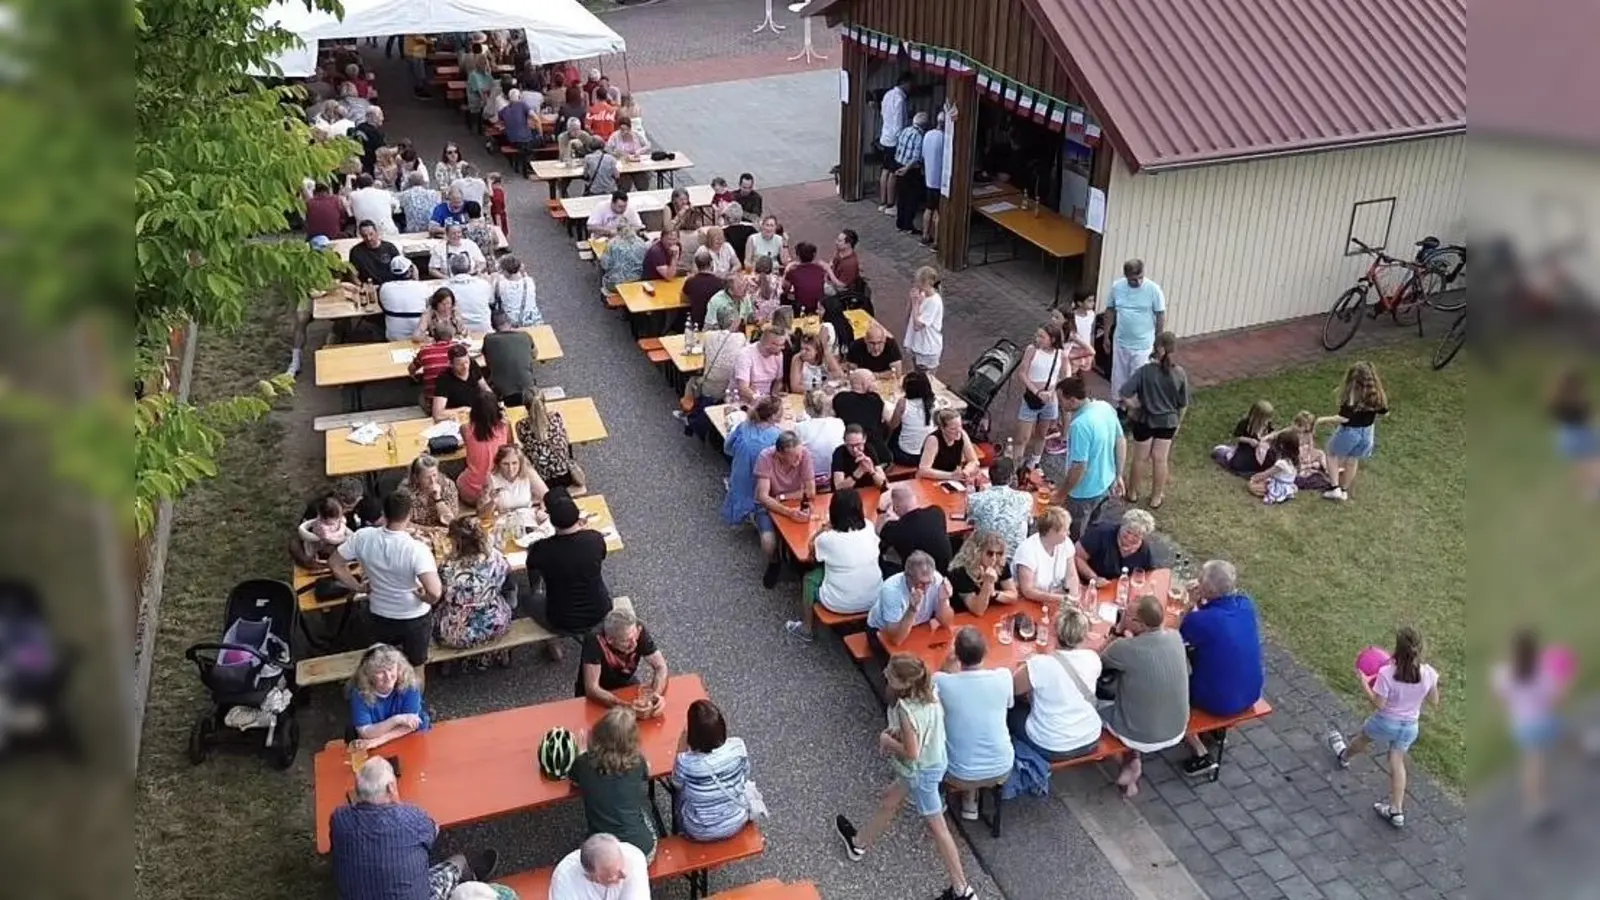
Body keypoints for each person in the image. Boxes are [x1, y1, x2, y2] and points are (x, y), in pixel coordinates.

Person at [833, 653, 976, 900]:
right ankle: (858, 843)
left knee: (938, 828)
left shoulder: (905, 710)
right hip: (935, 761)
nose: (885, 673)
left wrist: (887, 740)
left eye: (891, 673)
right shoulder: (929, 691)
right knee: (890, 800)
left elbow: (912, 753)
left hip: (920, 771)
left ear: (903, 683)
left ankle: (962, 889)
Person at [331, 757, 499, 900]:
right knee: (459, 861)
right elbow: (434, 831)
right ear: (391, 788)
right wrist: (398, 806)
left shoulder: (339, 819)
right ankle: (470, 880)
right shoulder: (410, 818)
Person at [1327, 627, 1441, 829]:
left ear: (1397, 649)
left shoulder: (1387, 674)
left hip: (1386, 722)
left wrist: (1364, 683)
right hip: (1410, 727)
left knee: (1363, 738)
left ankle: (1344, 757)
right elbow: (1434, 701)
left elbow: (1379, 704)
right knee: (1397, 762)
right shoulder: (1429, 673)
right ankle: (1396, 810)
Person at [329, 490, 443, 668]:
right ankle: (413, 696)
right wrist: (425, 598)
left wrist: (358, 587)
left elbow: (335, 563)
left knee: (383, 667)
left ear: (384, 513)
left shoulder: (363, 537)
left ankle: (385, 693)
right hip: (414, 616)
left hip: (379, 613)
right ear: (409, 515)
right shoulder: (417, 549)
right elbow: (435, 592)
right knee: (417, 667)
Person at [1172, 559, 1265, 774]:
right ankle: (1218, 733)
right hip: (1250, 691)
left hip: (1218, 700)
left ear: (1208, 588)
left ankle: (1199, 751)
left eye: (1201, 577)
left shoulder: (1204, 620)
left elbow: (1174, 637)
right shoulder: (1245, 603)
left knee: (1169, 682)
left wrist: (1190, 603)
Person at [1100, 594, 1190, 798]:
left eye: (1128, 615)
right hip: (1178, 728)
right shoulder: (1175, 637)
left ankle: (1131, 760)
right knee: (1137, 697)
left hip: (1140, 735)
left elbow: (1097, 663)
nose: (1124, 616)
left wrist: (1118, 630)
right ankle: (1131, 764)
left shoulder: (1124, 648)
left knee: (1094, 704)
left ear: (1137, 623)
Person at [933, 626, 1014, 824]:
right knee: (982, 725)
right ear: (986, 651)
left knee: (940, 726)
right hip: (1002, 768)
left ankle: (940, 796)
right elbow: (1009, 704)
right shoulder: (1004, 677)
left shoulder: (942, 682)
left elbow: (934, 693)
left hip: (957, 773)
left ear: (957, 654)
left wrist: (947, 661)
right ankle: (971, 797)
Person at [1011, 607, 1105, 763]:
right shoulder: (1093, 658)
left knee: (1010, 711)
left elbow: (1013, 689)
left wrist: (1026, 666)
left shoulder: (1041, 664)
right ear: (1084, 634)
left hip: (1051, 745)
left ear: (1054, 633)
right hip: (1090, 737)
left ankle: (1020, 762)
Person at [785, 488, 881, 642]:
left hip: (838, 603)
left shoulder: (828, 539)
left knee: (809, 578)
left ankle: (806, 628)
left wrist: (822, 530)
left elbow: (811, 553)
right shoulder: (869, 527)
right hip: (874, 598)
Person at [527, 492, 612, 653]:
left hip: (561, 619)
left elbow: (531, 565)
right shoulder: (594, 539)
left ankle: (551, 641)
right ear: (578, 518)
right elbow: (601, 555)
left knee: (529, 599)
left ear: (551, 521)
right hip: (600, 611)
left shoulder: (542, 549)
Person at [569, 707, 658, 859]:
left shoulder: (584, 763)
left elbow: (574, 781)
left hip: (604, 858)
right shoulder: (637, 762)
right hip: (641, 852)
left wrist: (583, 752)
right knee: (641, 810)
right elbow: (645, 774)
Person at [1118, 331, 1189, 507]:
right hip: (1168, 422)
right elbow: (1183, 403)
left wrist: (1135, 406)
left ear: (1157, 348)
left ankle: (1132, 493)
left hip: (1145, 420)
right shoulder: (1179, 373)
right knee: (1160, 459)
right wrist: (1178, 422)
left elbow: (1124, 393)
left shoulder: (1144, 372)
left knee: (1140, 458)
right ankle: (1156, 497)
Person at [1052, 376, 1127, 540]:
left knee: (1071, 535)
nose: (1059, 405)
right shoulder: (1105, 407)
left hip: (1082, 493)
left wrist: (1062, 493)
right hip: (1105, 484)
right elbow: (1120, 440)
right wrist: (1118, 475)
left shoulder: (1079, 426)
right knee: (1094, 530)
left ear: (1072, 400)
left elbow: (1079, 467)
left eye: (1060, 400)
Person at [671, 699, 755, 841]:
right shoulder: (738, 746)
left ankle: (676, 831)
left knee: (680, 792)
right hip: (737, 821)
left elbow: (675, 783)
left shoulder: (685, 761)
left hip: (699, 830)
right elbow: (745, 773)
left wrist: (681, 746)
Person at [433, 518, 514, 654]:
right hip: (496, 623)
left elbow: (439, 593)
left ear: (457, 543)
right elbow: (507, 574)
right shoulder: (495, 557)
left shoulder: (448, 567)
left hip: (458, 632)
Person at [1313, 360, 1389, 502]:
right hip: (1368, 433)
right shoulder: (1377, 395)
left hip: (1350, 432)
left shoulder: (1352, 396)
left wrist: (1321, 420)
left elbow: (1343, 418)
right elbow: (1384, 412)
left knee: (1331, 453)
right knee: (1352, 460)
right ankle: (1344, 490)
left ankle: (1334, 487)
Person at [752, 431, 816, 588]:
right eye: (794, 457)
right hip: (769, 507)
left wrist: (782, 498)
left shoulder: (804, 454)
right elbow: (762, 497)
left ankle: (801, 564)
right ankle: (774, 561)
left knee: (808, 534)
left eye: (799, 454)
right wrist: (788, 512)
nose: (798, 459)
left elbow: (811, 491)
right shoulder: (765, 458)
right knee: (768, 541)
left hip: (791, 501)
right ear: (779, 454)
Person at [576, 606, 669, 707]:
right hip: (599, 692)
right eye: (626, 640)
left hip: (625, 682)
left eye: (635, 637)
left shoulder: (637, 630)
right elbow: (592, 689)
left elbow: (661, 666)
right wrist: (625, 707)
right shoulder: (595, 640)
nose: (634, 644)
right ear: (609, 640)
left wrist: (656, 695)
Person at [1105, 259, 1167, 399]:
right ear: (1125, 276)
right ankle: (1120, 408)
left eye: (1140, 278)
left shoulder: (1153, 289)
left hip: (1143, 345)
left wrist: (1158, 341)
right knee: (1119, 378)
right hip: (1121, 343)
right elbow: (1110, 310)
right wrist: (1106, 336)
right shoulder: (1117, 287)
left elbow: (1160, 315)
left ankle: (1134, 411)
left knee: (1138, 380)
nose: (1138, 282)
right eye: (1133, 280)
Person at [347, 643, 430, 748]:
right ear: (368, 674)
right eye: (380, 672)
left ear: (399, 667)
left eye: (390, 669)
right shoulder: (360, 693)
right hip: (372, 741)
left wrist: (377, 741)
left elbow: (412, 725)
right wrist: (397, 720)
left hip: (408, 737)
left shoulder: (409, 684)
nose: (388, 677)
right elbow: (365, 732)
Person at [1013, 323, 1067, 467]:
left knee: (1042, 433)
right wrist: (1036, 391)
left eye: (1042, 337)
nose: (1038, 339)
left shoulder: (1060, 354)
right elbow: (1022, 373)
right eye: (1038, 335)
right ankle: (1016, 465)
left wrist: (1052, 391)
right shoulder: (1031, 350)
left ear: (1053, 339)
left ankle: (1034, 462)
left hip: (1050, 400)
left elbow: (1063, 376)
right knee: (1022, 437)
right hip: (1032, 397)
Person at [876, 483, 953, 576]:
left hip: (920, 580)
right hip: (945, 573)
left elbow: (878, 530)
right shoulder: (937, 512)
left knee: (883, 560)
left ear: (895, 507)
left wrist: (881, 510)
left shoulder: (897, 529)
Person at [965, 457, 1033, 560]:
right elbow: (1029, 521)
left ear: (989, 477)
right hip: (1016, 560)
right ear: (1011, 478)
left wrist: (975, 491)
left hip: (986, 558)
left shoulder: (975, 499)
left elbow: (969, 521)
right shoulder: (1026, 498)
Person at [1549, 367, 1600, 502]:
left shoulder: (1556, 399)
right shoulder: (1579, 401)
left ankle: (1588, 492)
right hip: (1582, 435)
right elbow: (1588, 417)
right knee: (1594, 461)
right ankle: (1594, 490)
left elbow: (1555, 417)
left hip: (1566, 437)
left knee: (1579, 465)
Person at [1012, 506, 1079, 607]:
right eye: (1065, 530)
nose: (1068, 533)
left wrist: (1073, 598)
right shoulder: (1027, 551)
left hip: (1056, 600)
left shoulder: (1066, 543)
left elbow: (1071, 576)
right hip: (1029, 603)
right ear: (1052, 531)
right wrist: (1060, 599)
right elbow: (1027, 591)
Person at [549, 833, 649, 900]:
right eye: (614, 875)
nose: (624, 875)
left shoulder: (633, 857)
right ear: (592, 877)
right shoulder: (564, 880)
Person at [456, 391, 510, 508]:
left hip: (471, 492)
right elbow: (509, 445)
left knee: (460, 476)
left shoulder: (466, 429)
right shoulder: (504, 427)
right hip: (497, 490)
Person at [1075, 508, 1157, 582]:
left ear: (1143, 537)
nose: (1130, 537)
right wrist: (1094, 578)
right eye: (1128, 531)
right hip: (1091, 583)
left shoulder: (1144, 548)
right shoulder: (1101, 532)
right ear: (1122, 525)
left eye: (1136, 536)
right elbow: (1078, 556)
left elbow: (1149, 572)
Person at [945, 529, 1015, 615]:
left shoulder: (1000, 564)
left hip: (993, 615)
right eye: (990, 553)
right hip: (964, 618)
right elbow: (978, 610)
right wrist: (987, 583)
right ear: (977, 551)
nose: (994, 558)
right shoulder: (960, 572)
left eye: (999, 554)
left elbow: (1013, 595)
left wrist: (994, 594)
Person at [480, 311, 537, 405]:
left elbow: (487, 360)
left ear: (492, 326)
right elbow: (534, 354)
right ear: (510, 322)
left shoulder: (488, 339)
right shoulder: (525, 336)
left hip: (502, 393)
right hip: (528, 390)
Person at [833, 368, 891, 459]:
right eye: (872, 381)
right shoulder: (875, 399)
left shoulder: (839, 398)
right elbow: (887, 418)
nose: (874, 384)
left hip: (850, 448)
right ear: (864, 383)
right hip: (877, 452)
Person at [875, 73, 911, 213]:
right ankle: (890, 204)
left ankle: (882, 201)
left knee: (885, 169)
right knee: (893, 172)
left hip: (885, 136)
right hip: (894, 140)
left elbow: (883, 114)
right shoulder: (900, 100)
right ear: (905, 83)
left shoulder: (887, 95)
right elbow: (899, 123)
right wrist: (901, 139)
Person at [1212, 399, 1277, 475]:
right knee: (1237, 466)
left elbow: (1272, 434)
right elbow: (1237, 437)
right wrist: (1249, 440)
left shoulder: (1267, 425)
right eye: (1266, 418)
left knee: (1264, 465)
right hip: (1246, 448)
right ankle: (1225, 452)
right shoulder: (1245, 424)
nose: (1268, 420)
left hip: (1260, 451)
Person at [428, 344, 491, 420]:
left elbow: (484, 387)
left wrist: (492, 402)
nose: (465, 367)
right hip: (458, 417)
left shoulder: (473, 366)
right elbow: (437, 414)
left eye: (467, 362)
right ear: (451, 364)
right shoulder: (444, 379)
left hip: (478, 412)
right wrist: (463, 409)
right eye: (459, 364)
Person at [793, 389, 845, 480]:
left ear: (807, 409)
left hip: (812, 474)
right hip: (836, 472)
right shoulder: (838, 422)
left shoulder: (799, 427)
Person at [378, 257, 435, 340]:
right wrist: (416, 278)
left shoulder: (384, 288)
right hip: (420, 336)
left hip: (393, 337)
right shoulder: (423, 287)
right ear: (410, 271)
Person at [889, 370, 938, 467]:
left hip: (905, 455)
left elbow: (893, 425)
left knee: (892, 432)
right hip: (928, 454)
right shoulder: (934, 403)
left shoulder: (903, 403)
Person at [917, 408, 980, 483]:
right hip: (933, 479)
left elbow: (974, 461)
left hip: (953, 479)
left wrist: (966, 471)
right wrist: (951, 475)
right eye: (953, 429)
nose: (958, 431)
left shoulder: (962, 434)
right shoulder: (933, 440)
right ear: (942, 428)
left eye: (960, 426)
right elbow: (923, 470)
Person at [892, 112, 930, 233]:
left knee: (901, 196)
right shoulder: (919, 136)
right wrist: (907, 169)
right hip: (910, 170)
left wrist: (898, 164)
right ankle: (908, 225)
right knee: (911, 198)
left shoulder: (905, 130)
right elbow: (916, 157)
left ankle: (900, 223)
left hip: (899, 163)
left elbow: (898, 147)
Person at [484, 443, 547, 514]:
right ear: (498, 464)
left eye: (514, 463)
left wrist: (542, 511)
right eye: (505, 464)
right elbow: (482, 514)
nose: (510, 469)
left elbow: (547, 497)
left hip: (527, 518)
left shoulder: (528, 473)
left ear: (520, 463)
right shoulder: (492, 478)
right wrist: (492, 502)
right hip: (505, 520)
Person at [903, 266, 945, 371]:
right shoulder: (922, 295)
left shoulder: (934, 302)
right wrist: (911, 300)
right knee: (916, 373)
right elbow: (908, 317)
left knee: (926, 379)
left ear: (928, 283)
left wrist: (915, 303)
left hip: (927, 348)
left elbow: (918, 326)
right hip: (916, 344)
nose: (917, 286)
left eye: (920, 283)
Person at [405, 454, 462, 529]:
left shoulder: (447, 486)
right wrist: (429, 530)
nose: (432, 480)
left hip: (443, 530)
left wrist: (438, 499)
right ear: (416, 478)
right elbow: (404, 523)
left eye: (434, 475)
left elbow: (450, 521)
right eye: (427, 477)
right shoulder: (406, 492)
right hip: (418, 532)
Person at [441, 252, 493, 333]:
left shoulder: (444, 287)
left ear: (451, 269)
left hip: (458, 331)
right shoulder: (483, 284)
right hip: (484, 328)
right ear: (469, 268)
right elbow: (491, 302)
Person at [731, 327, 788, 403]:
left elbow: (778, 381)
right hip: (743, 401)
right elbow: (743, 388)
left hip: (765, 401)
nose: (783, 348)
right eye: (780, 345)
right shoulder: (745, 354)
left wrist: (774, 397)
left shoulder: (778, 355)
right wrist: (758, 399)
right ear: (769, 344)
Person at [831, 422, 890, 491]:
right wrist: (859, 471)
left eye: (858, 444)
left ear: (864, 439)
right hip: (849, 495)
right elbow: (839, 488)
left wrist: (871, 471)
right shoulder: (839, 453)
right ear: (845, 442)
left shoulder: (869, 449)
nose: (855, 449)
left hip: (868, 492)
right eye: (851, 446)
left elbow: (884, 484)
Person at [599, 223, 648, 296]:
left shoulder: (612, 243)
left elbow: (605, 265)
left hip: (616, 285)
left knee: (602, 271)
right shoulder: (641, 242)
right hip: (638, 281)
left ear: (617, 231)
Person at [490, 254, 541, 326]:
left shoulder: (499, 284)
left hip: (509, 322)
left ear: (506, 271)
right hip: (531, 320)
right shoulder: (529, 281)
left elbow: (491, 301)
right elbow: (524, 276)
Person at [298, 495, 351, 562]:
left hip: (336, 537)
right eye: (335, 518)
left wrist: (343, 525)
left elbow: (342, 522)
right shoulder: (322, 527)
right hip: (322, 544)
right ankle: (322, 560)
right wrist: (343, 538)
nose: (338, 519)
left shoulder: (336, 519)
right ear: (324, 519)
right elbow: (330, 540)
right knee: (331, 549)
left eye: (339, 517)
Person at [920, 111, 946, 247]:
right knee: (939, 212)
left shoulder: (928, 135)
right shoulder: (944, 139)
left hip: (929, 178)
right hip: (940, 181)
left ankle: (925, 235)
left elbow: (923, 155)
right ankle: (936, 241)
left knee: (928, 208)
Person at [783, 241, 830, 315]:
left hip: (801, 307)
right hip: (819, 305)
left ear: (798, 256)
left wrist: (786, 270)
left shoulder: (792, 272)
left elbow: (785, 288)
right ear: (814, 255)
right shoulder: (821, 269)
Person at [682, 248, 724, 325]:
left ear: (697, 266)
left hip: (697, 323)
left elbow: (683, 299)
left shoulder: (690, 282)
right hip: (715, 323)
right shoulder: (720, 282)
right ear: (711, 264)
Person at [830, 229, 863, 293]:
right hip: (833, 279)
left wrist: (828, 269)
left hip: (842, 291)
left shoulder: (850, 263)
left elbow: (842, 285)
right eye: (837, 239)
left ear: (848, 244)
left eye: (839, 241)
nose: (836, 242)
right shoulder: (840, 251)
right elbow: (833, 261)